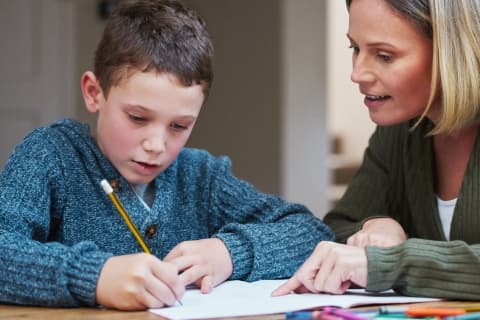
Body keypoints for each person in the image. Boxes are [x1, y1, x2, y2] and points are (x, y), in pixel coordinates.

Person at [0, 0, 333, 311]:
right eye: (138, 118)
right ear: (93, 92)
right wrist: (95, 276)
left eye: (179, 125)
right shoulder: (51, 156)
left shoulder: (201, 177)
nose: (157, 145)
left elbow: (312, 234)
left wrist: (230, 253)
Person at [273, 0, 480, 300]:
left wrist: (395, 264)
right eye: (355, 49)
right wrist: (378, 224)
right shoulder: (403, 124)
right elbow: (337, 228)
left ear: (453, 51)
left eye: (384, 56)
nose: (357, 74)